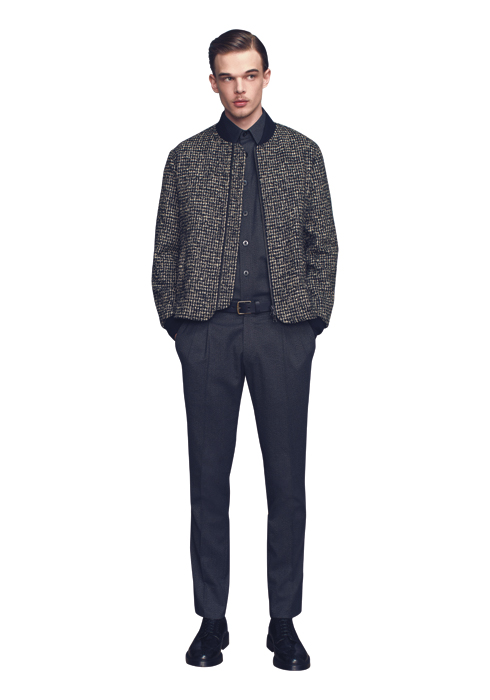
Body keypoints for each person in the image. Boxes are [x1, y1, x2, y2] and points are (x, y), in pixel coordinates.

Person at [151, 28, 339, 671]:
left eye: (250, 74)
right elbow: (165, 249)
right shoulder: (186, 159)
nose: (239, 88)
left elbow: (324, 244)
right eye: (227, 76)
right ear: (212, 82)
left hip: (282, 332)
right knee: (208, 480)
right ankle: (212, 621)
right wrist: (182, 327)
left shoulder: (302, 155)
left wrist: (308, 324)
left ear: (266, 77)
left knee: (286, 482)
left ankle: (283, 622)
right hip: (207, 334)